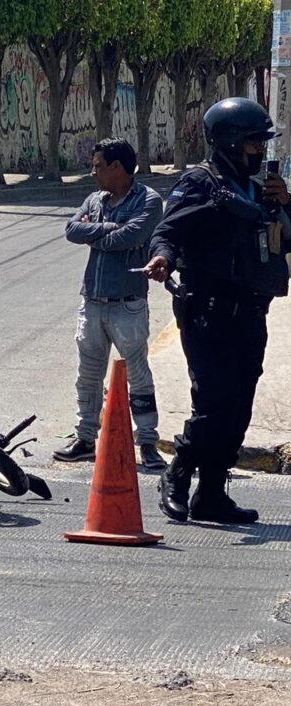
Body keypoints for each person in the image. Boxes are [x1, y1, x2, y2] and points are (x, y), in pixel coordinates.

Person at [146, 97, 290, 525]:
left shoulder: (262, 190)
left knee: (239, 408)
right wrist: (162, 258)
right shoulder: (201, 183)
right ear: (229, 141)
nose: (259, 150)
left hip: (251, 314)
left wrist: (287, 204)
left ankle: (211, 494)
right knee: (213, 403)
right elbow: (168, 231)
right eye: (253, 142)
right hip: (207, 313)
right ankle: (177, 475)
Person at [54, 138, 167, 470]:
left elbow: (131, 237)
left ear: (117, 167)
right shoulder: (95, 199)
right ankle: (85, 438)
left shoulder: (148, 200)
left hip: (127, 304)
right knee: (88, 376)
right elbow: (72, 229)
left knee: (138, 375)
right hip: (92, 302)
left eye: (98, 166)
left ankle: (147, 442)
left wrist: (95, 235)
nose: (93, 173)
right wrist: (106, 227)